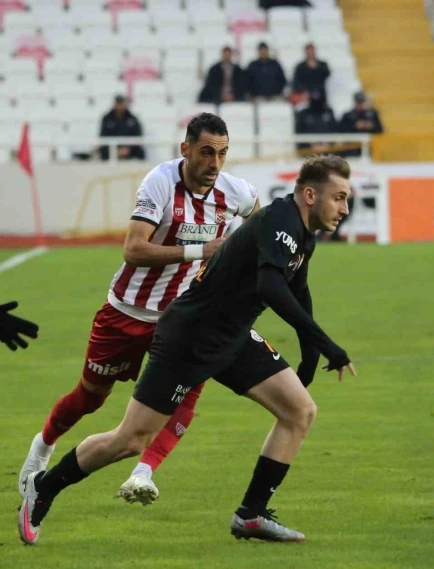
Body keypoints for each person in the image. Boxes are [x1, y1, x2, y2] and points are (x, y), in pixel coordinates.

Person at [18, 155, 356, 545]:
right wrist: (327, 343)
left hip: (232, 335)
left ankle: (250, 515)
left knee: (299, 410)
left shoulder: (302, 232)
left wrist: (311, 355)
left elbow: (298, 287)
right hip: (190, 336)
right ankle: (43, 487)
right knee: (130, 440)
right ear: (311, 195)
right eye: (339, 198)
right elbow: (270, 286)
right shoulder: (280, 221)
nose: (345, 209)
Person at [18, 113, 260, 508]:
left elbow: (256, 218)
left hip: (182, 319)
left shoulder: (236, 192)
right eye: (206, 153)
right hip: (127, 313)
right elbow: (133, 248)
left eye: (222, 154)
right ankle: (41, 449)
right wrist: (204, 251)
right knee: (90, 397)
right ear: (185, 150)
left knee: (185, 397)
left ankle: (142, 474)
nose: (215, 163)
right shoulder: (160, 182)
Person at [99, 95, 146, 161]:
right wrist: (117, 151)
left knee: (140, 152)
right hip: (111, 150)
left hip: (130, 150)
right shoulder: (107, 119)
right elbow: (103, 137)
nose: (120, 106)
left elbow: (138, 136)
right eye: (118, 103)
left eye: (121, 103)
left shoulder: (132, 119)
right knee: (103, 151)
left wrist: (128, 149)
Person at [338, 91, 383, 156]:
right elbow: (340, 132)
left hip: (368, 149)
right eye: (358, 102)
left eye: (361, 102)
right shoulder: (347, 115)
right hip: (350, 150)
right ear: (354, 102)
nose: (360, 105)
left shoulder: (372, 113)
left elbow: (380, 130)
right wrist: (355, 127)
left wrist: (371, 126)